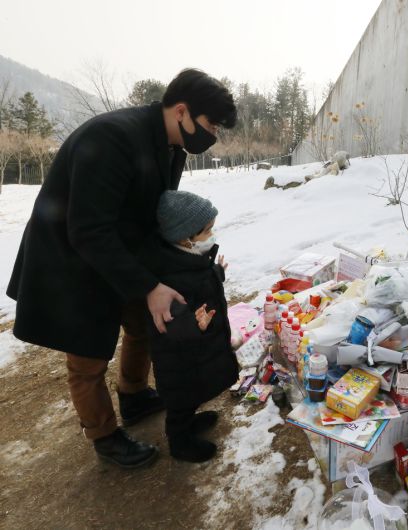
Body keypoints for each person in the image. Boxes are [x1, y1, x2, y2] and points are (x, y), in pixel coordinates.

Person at [6, 69, 237, 468]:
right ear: (181, 111)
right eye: (210, 124)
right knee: (87, 356)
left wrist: (177, 268)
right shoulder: (112, 137)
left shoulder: (171, 144)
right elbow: (88, 229)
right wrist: (149, 285)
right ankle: (104, 435)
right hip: (72, 257)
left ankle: (134, 395)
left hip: (123, 249)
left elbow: (152, 211)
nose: (212, 134)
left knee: (146, 323)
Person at [137, 190, 238, 463]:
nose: (212, 237)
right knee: (181, 403)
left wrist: (217, 273)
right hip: (180, 362)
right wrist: (194, 327)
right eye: (207, 232)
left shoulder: (188, 260)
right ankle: (180, 442)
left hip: (196, 354)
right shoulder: (170, 279)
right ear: (185, 238)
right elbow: (167, 327)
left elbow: (201, 281)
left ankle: (188, 422)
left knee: (192, 396)